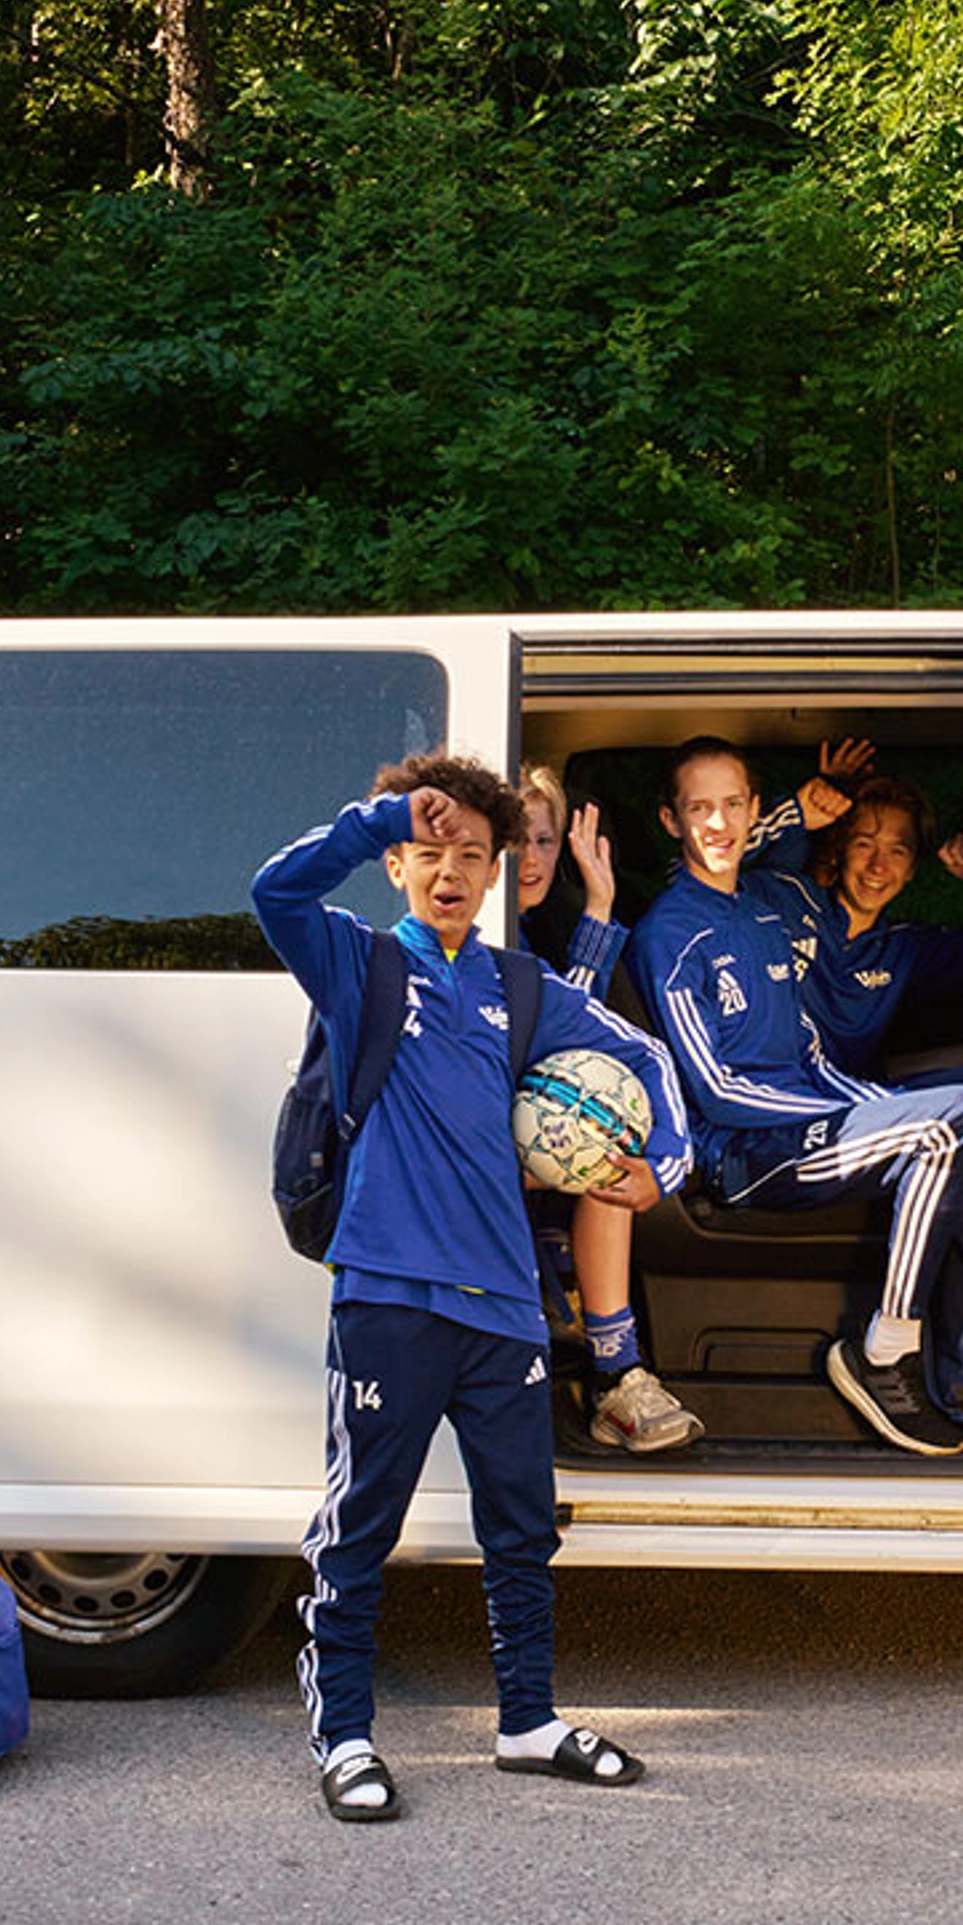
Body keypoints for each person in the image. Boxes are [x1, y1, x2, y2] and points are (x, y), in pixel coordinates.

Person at [254, 753, 687, 1822]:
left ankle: (527, 1721)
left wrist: (659, 1167)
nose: (450, 872)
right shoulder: (359, 965)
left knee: (521, 1527)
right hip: (389, 1295)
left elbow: (646, 1058)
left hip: (503, 1306)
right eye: (429, 852)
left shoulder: (521, 987)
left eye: (472, 856)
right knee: (361, 1526)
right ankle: (345, 1737)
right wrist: (377, 816)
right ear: (398, 865)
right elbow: (276, 892)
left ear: (498, 873)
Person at [629, 734, 963, 1458]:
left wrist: (875, 1103)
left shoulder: (764, 913)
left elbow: (807, 1054)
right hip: (742, 1153)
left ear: (752, 809)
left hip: (797, 1128)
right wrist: (860, 1115)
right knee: (950, 1123)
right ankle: (885, 1354)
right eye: (699, 808)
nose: (718, 823)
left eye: (732, 805)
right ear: (672, 820)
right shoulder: (668, 934)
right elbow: (717, 1092)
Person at [511, 766, 703, 1453]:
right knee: (578, 1131)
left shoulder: (530, 933)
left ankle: (616, 1374)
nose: (529, 859)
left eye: (543, 840)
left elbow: (578, 1025)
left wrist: (597, 906)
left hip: (514, 1138)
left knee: (601, 1144)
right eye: (512, 841)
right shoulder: (475, 941)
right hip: (460, 1157)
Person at [784, 773, 963, 1204]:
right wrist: (798, 812)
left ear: (912, 869)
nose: (878, 866)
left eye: (897, 851)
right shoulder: (787, 913)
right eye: (864, 845)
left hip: (873, 1101)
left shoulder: (906, 946)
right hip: (807, 1118)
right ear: (840, 851)